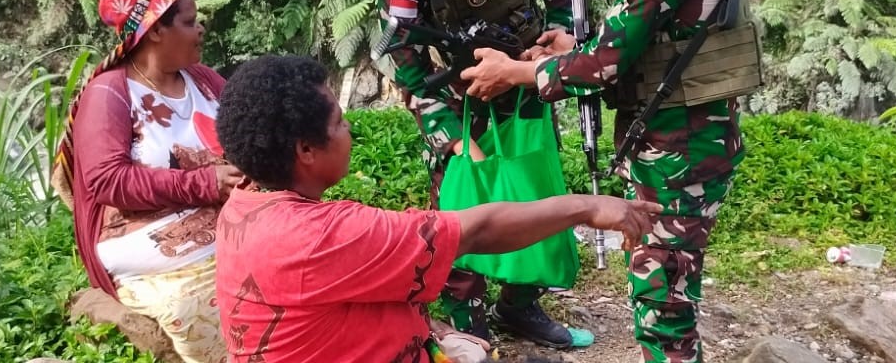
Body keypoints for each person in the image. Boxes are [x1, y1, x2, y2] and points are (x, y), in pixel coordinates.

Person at [462, 0, 758, 363]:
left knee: (663, 309)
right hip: (686, 141)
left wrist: (518, 73)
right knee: (666, 292)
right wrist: (572, 44)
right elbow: (648, 46)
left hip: (677, 154)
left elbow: (603, 68)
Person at [213, 54, 662, 363]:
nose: (350, 129)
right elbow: (476, 231)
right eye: (340, 122)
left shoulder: (245, 204)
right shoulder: (320, 235)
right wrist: (587, 206)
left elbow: (342, 299)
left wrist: (435, 331)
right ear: (306, 150)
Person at [365, 0, 589, 348]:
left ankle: (521, 304)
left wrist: (560, 34)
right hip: (459, 95)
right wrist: (446, 134)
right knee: (458, 205)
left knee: (531, 191)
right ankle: (467, 319)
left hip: (526, 76)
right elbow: (402, 53)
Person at [54, 0, 242, 363]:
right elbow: (107, 181)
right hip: (143, 232)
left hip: (218, 212)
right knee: (199, 302)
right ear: (156, 30)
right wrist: (203, 184)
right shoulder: (109, 93)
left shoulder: (202, 80)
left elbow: (247, 131)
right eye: (190, 22)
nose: (201, 29)